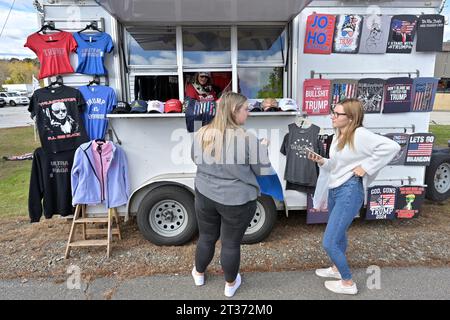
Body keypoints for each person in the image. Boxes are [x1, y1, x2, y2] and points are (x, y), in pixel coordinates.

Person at [307, 98, 400, 295]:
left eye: (337, 114)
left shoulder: (360, 134)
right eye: (333, 112)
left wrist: (366, 167)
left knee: (329, 242)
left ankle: (348, 282)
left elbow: (392, 147)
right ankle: (335, 269)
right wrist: (322, 161)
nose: (332, 116)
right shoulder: (339, 135)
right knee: (338, 235)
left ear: (350, 118)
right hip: (336, 188)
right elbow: (336, 165)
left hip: (349, 191)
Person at [190, 91, 271, 297]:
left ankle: (199, 274)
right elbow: (263, 170)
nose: (249, 113)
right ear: (235, 111)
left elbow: (194, 158)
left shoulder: (202, 132)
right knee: (231, 243)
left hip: (205, 194)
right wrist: (263, 149)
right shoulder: (248, 139)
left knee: (206, 237)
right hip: (236, 200)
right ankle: (230, 284)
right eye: (246, 109)